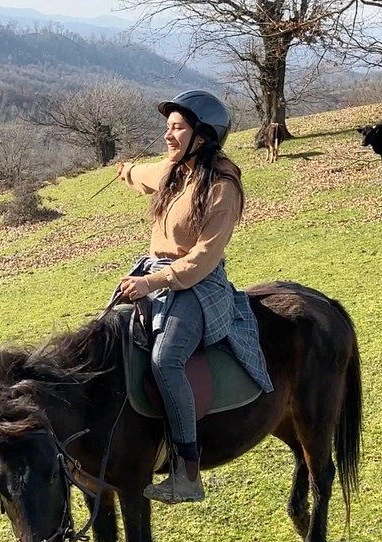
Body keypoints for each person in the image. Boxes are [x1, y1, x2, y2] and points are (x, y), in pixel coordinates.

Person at [115, 90, 273, 504]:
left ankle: (187, 471)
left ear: (202, 136)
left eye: (177, 128)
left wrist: (153, 283)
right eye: (167, 127)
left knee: (166, 359)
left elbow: (203, 259)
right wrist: (126, 170)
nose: (168, 135)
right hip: (157, 274)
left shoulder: (222, 187)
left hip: (197, 287)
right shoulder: (177, 169)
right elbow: (147, 175)